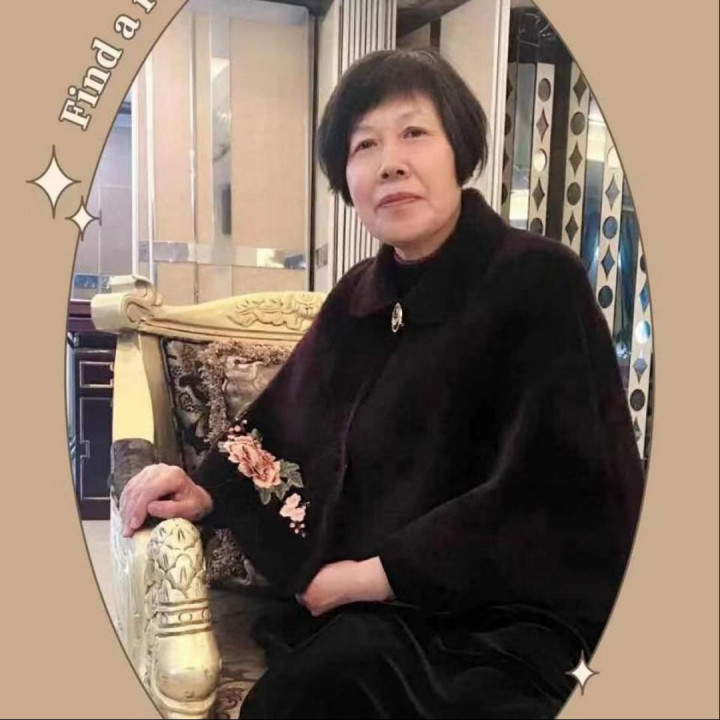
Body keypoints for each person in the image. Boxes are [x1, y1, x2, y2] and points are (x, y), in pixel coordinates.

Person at [119, 48, 645, 719]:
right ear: (347, 179)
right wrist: (205, 492)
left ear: (459, 150)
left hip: (518, 619)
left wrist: (379, 576)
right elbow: (284, 429)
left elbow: (558, 487)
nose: (390, 162)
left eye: (414, 132)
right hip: (384, 621)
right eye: (364, 145)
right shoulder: (357, 299)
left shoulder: (542, 280)